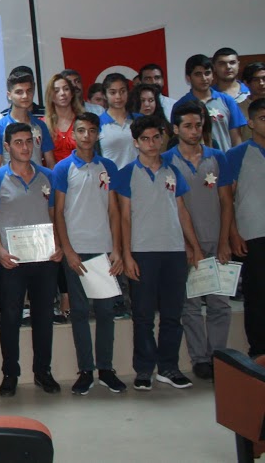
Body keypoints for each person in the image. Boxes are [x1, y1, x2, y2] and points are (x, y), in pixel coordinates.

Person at [114, 114, 203, 391]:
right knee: (142, 316)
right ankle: (144, 370)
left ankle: (168, 367)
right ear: (136, 143)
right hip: (142, 252)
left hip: (174, 251)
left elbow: (182, 211)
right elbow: (124, 217)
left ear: (163, 138)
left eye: (156, 138)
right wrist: (127, 255)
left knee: (172, 314)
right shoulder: (126, 173)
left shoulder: (172, 170)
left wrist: (195, 246)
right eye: (145, 139)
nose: (152, 144)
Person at [53, 113, 127, 395]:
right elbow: (58, 212)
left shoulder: (107, 167)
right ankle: (86, 370)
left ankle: (106, 369)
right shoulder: (63, 168)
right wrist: (68, 251)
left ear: (98, 135)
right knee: (80, 312)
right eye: (80, 131)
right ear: (73, 135)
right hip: (77, 251)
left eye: (91, 131)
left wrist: (117, 250)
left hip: (103, 250)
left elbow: (114, 211)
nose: (86, 136)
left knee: (106, 311)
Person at [0, 122, 60, 397]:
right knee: (11, 318)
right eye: (18, 142)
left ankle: (43, 371)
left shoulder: (48, 176)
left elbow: (56, 216)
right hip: (11, 262)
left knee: (43, 317)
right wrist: (0, 251)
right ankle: (10, 374)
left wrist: (59, 245)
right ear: (6, 147)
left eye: (29, 141)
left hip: (45, 259)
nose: (26, 147)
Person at [164, 101, 234, 381]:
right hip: (182, 243)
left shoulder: (218, 156)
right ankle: (200, 359)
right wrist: (187, 245)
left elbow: (227, 201)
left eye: (199, 125)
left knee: (220, 303)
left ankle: (219, 356)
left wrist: (225, 240)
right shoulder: (167, 159)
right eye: (189, 126)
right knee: (190, 304)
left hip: (216, 239)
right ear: (176, 129)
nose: (195, 131)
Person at [227, 97, 265, 357]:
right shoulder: (237, 154)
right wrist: (233, 233)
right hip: (252, 233)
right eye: (262, 118)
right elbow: (227, 198)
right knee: (257, 295)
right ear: (250, 122)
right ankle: (259, 350)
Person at [175, 54, 246, 152]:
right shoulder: (180, 105)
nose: (204, 78)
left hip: (225, 162)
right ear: (188, 78)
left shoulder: (227, 101)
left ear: (213, 75)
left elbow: (236, 139)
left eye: (207, 73)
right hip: (193, 163)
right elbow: (178, 140)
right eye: (198, 74)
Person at [0, 69, 56, 170]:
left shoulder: (40, 125)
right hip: (9, 184)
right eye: (19, 92)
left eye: (29, 91)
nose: (25, 96)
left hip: (38, 183)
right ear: (9, 95)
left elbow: (51, 162)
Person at [97, 73, 137, 169]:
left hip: (139, 178)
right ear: (105, 95)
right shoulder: (97, 123)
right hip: (110, 179)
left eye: (122, 91)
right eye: (113, 92)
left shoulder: (139, 120)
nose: (118, 96)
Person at [44, 73, 84, 163]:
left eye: (66, 89)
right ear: (50, 96)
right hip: (53, 175)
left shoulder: (83, 120)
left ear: (72, 93)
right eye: (56, 90)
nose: (62, 93)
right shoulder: (43, 124)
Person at [127, 83, 173, 150]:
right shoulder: (127, 125)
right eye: (142, 100)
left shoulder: (165, 127)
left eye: (151, 100)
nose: (147, 104)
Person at [239, 62, 265, 142]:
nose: (261, 83)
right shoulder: (238, 108)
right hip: (250, 152)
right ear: (246, 83)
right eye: (256, 80)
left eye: (264, 79)